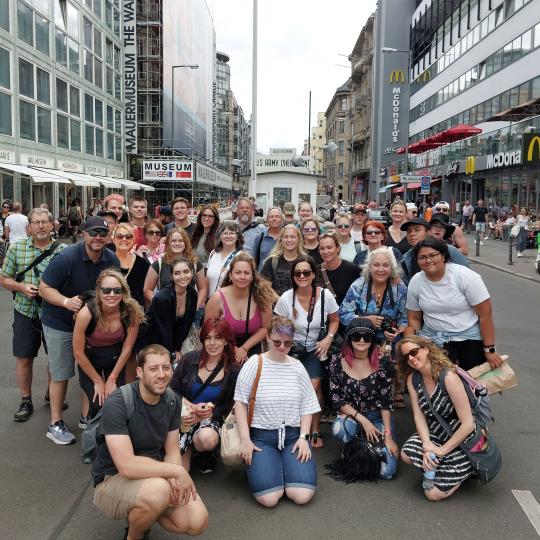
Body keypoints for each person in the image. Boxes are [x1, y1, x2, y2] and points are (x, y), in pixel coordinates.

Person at [91, 343, 208, 538]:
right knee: (159, 491)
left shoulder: (172, 400)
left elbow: (171, 451)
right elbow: (126, 465)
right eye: (153, 369)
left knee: (197, 520)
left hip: (154, 475)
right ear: (139, 372)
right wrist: (176, 472)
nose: (161, 375)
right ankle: (134, 535)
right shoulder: (119, 403)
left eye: (166, 367)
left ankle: (147, 511)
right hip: (112, 479)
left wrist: (173, 479)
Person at [38, 216, 119, 445]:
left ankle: (86, 416)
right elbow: (44, 288)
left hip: (92, 324)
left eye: (103, 233)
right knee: (61, 371)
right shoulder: (66, 257)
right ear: (83, 234)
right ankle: (55, 423)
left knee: (88, 369)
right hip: (60, 321)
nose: (98, 237)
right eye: (93, 233)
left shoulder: (110, 258)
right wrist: (66, 302)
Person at [234, 315, 320, 507]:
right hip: (261, 437)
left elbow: (307, 405)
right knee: (269, 499)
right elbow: (240, 402)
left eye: (288, 343)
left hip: (292, 436)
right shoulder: (254, 364)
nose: (282, 347)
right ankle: (266, 468)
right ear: (267, 338)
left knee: (302, 495)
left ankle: (279, 468)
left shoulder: (298, 367)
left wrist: (304, 438)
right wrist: (245, 439)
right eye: (277, 342)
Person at [0, 208, 66, 422]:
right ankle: (25, 400)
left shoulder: (62, 250)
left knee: (54, 356)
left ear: (52, 225)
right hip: (25, 311)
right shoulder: (16, 248)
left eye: (44, 222)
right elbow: (4, 278)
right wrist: (21, 287)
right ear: (29, 227)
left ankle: (51, 392)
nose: (40, 226)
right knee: (24, 356)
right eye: (36, 222)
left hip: (54, 312)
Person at [405, 238, 503, 371]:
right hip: (432, 341)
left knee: (470, 386)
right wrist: (413, 348)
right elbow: (414, 318)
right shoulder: (416, 281)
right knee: (437, 385)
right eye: (422, 257)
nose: (428, 260)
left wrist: (490, 349)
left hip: (468, 340)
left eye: (433, 255)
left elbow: (485, 314)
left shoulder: (464, 276)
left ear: (443, 256)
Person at [398, 336, 477, 501]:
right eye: (406, 356)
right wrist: (427, 444)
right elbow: (418, 414)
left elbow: (468, 424)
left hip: (462, 440)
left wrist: (441, 451)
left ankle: (467, 468)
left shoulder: (448, 377)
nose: (411, 358)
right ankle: (440, 466)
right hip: (437, 434)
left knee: (431, 494)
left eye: (414, 352)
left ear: (426, 349)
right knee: (406, 454)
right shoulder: (414, 379)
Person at [274, 256, 339, 448]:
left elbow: (335, 319)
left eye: (306, 272)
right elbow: (277, 325)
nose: (302, 276)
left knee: (314, 386)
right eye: (298, 273)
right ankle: (290, 426)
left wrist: (328, 338)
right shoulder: (287, 298)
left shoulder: (325, 296)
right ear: (293, 276)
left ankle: (315, 428)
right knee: (289, 388)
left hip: (314, 348)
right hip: (291, 349)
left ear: (313, 275)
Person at [329, 318, 398, 479]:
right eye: (356, 336)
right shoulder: (336, 361)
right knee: (340, 429)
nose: (361, 340)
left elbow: (386, 401)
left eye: (366, 337)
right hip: (352, 415)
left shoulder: (383, 362)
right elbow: (336, 398)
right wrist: (363, 422)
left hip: (377, 417)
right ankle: (354, 445)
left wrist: (387, 435)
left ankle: (367, 445)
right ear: (349, 339)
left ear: (373, 340)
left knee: (387, 473)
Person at [170, 318, 240, 473]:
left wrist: (206, 415)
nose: (212, 343)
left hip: (209, 419)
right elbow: (172, 390)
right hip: (181, 415)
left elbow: (227, 406)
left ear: (226, 341)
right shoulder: (189, 359)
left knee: (207, 439)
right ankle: (186, 447)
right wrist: (191, 407)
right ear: (203, 340)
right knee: (179, 472)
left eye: (218, 338)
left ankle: (202, 450)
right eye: (208, 338)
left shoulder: (233, 370)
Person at [73, 270, 144, 421]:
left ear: (123, 292)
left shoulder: (130, 313)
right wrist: (98, 381)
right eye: (106, 290)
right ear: (98, 291)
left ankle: (113, 435)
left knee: (116, 399)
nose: (111, 294)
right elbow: (78, 353)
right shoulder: (86, 314)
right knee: (98, 401)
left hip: (115, 356)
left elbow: (127, 347)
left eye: (117, 290)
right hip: (89, 357)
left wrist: (112, 378)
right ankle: (91, 427)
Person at [205, 252, 274, 363]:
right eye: (238, 272)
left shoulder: (262, 296)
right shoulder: (217, 298)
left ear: (252, 276)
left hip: (252, 345)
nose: (242, 277)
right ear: (230, 275)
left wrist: (244, 348)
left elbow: (265, 328)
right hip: (221, 345)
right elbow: (209, 329)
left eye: (246, 273)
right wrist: (232, 350)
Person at [339, 248, 407, 345]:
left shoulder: (399, 287)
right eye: (376, 265)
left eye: (386, 265)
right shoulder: (359, 286)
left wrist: (398, 332)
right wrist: (364, 320)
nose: (381, 269)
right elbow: (343, 314)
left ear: (391, 268)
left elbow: (405, 318)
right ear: (369, 267)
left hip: (389, 343)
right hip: (361, 340)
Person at [141, 257, 198, 363]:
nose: (182, 276)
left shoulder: (192, 294)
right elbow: (164, 330)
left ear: (192, 273)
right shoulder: (162, 298)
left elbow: (185, 324)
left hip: (171, 339)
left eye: (186, 272)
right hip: (151, 339)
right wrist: (173, 352)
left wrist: (177, 347)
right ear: (171, 276)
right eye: (177, 273)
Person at [143, 228, 208, 310]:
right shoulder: (159, 264)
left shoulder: (195, 263)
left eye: (180, 241)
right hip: (166, 312)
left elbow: (202, 289)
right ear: (168, 243)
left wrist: (195, 307)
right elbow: (147, 290)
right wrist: (159, 304)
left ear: (186, 243)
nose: (177, 243)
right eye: (173, 241)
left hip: (188, 312)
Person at [400, 219, 469, 286]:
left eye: (417, 230)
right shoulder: (406, 258)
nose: (412, 234)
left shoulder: (449, 250)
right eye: (409, 231)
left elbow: (467, 277)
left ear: (428, 233)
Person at [261, 224, 307, 296]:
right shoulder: (272, 261)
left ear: (299, 239)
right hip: (277, 304)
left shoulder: (306, 261)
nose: (289, 240)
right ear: (281, 239)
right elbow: (265, 287)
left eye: (293, 237)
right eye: (286, 237)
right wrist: (282, 302)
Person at [318, 232, 361, 305]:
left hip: (345, 314)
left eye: (329, 247)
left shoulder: (353, 270)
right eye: (322, 248)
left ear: (338, 248)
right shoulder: (315, 271)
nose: (325, 251)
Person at [113, 224, 150, 307]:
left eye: (128, 236)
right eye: (119, 236)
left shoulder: (142, 263)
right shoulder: (106, 261)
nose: (124, 239)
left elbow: (146, 292)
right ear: (113, 239)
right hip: (111, 312)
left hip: (136, 313)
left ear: (133, 240)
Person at [205, 221, 243, 296]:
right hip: (211, 302)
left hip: (230, 303)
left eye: (232, 233)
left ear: (237, 236)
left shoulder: (241, 256)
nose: (228, 236)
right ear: (220, 236)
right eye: (225, 233)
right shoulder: (213, 253)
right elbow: (207, 280)